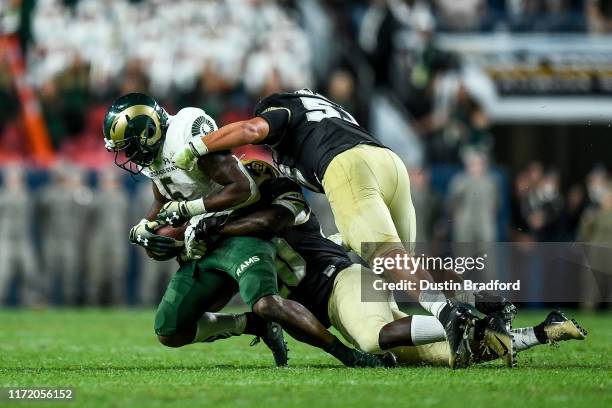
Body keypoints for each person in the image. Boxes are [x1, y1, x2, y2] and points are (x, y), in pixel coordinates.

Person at [169, 88, 510, 367]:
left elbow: (251, 130)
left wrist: (197, 146)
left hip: (347, 166)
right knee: (404, 269)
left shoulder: (281, 109)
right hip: (389, 164)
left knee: (389, 260)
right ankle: (483, 302)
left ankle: (451, 313)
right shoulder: (325, 111)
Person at [185, 159, 586, 367]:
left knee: (374, 339)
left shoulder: (284, 202)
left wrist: (213, 223)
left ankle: (474, 312)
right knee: (434, 355)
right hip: (336, 297)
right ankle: (542, 331)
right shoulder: (241, 229)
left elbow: (271, 222)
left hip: (343, 284)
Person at [102, 93, 395, 368]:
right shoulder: (154, 161)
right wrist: (145, 228)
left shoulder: (184, 139)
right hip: (205, 237)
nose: (127, 155)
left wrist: (190, 215)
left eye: (128, 146)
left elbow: (243, 189)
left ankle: (349, 356)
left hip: (235, 227)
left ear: (149, 132)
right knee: (170, 329)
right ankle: (251, 325)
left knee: (267, 304)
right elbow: (162, 197)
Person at [86, 166, 130, 305]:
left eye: (111, 181)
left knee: (117, 272)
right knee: (96, 273)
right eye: (105, 181)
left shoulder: (123, 198)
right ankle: (93, 302)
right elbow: (88, 221)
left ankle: (117, 302)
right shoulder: (95, 198)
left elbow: (129, 221)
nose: (108, 184)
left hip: (117, 240)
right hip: (98, 240)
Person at [0, 165, 41, 306]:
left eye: (17, 180)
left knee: (29, 271)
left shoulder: (26, 196)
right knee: (2, 273)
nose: (14, 183)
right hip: (5, 239)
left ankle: (30, 302)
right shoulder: (3, 196)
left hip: (23, 239)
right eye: (12, 179)